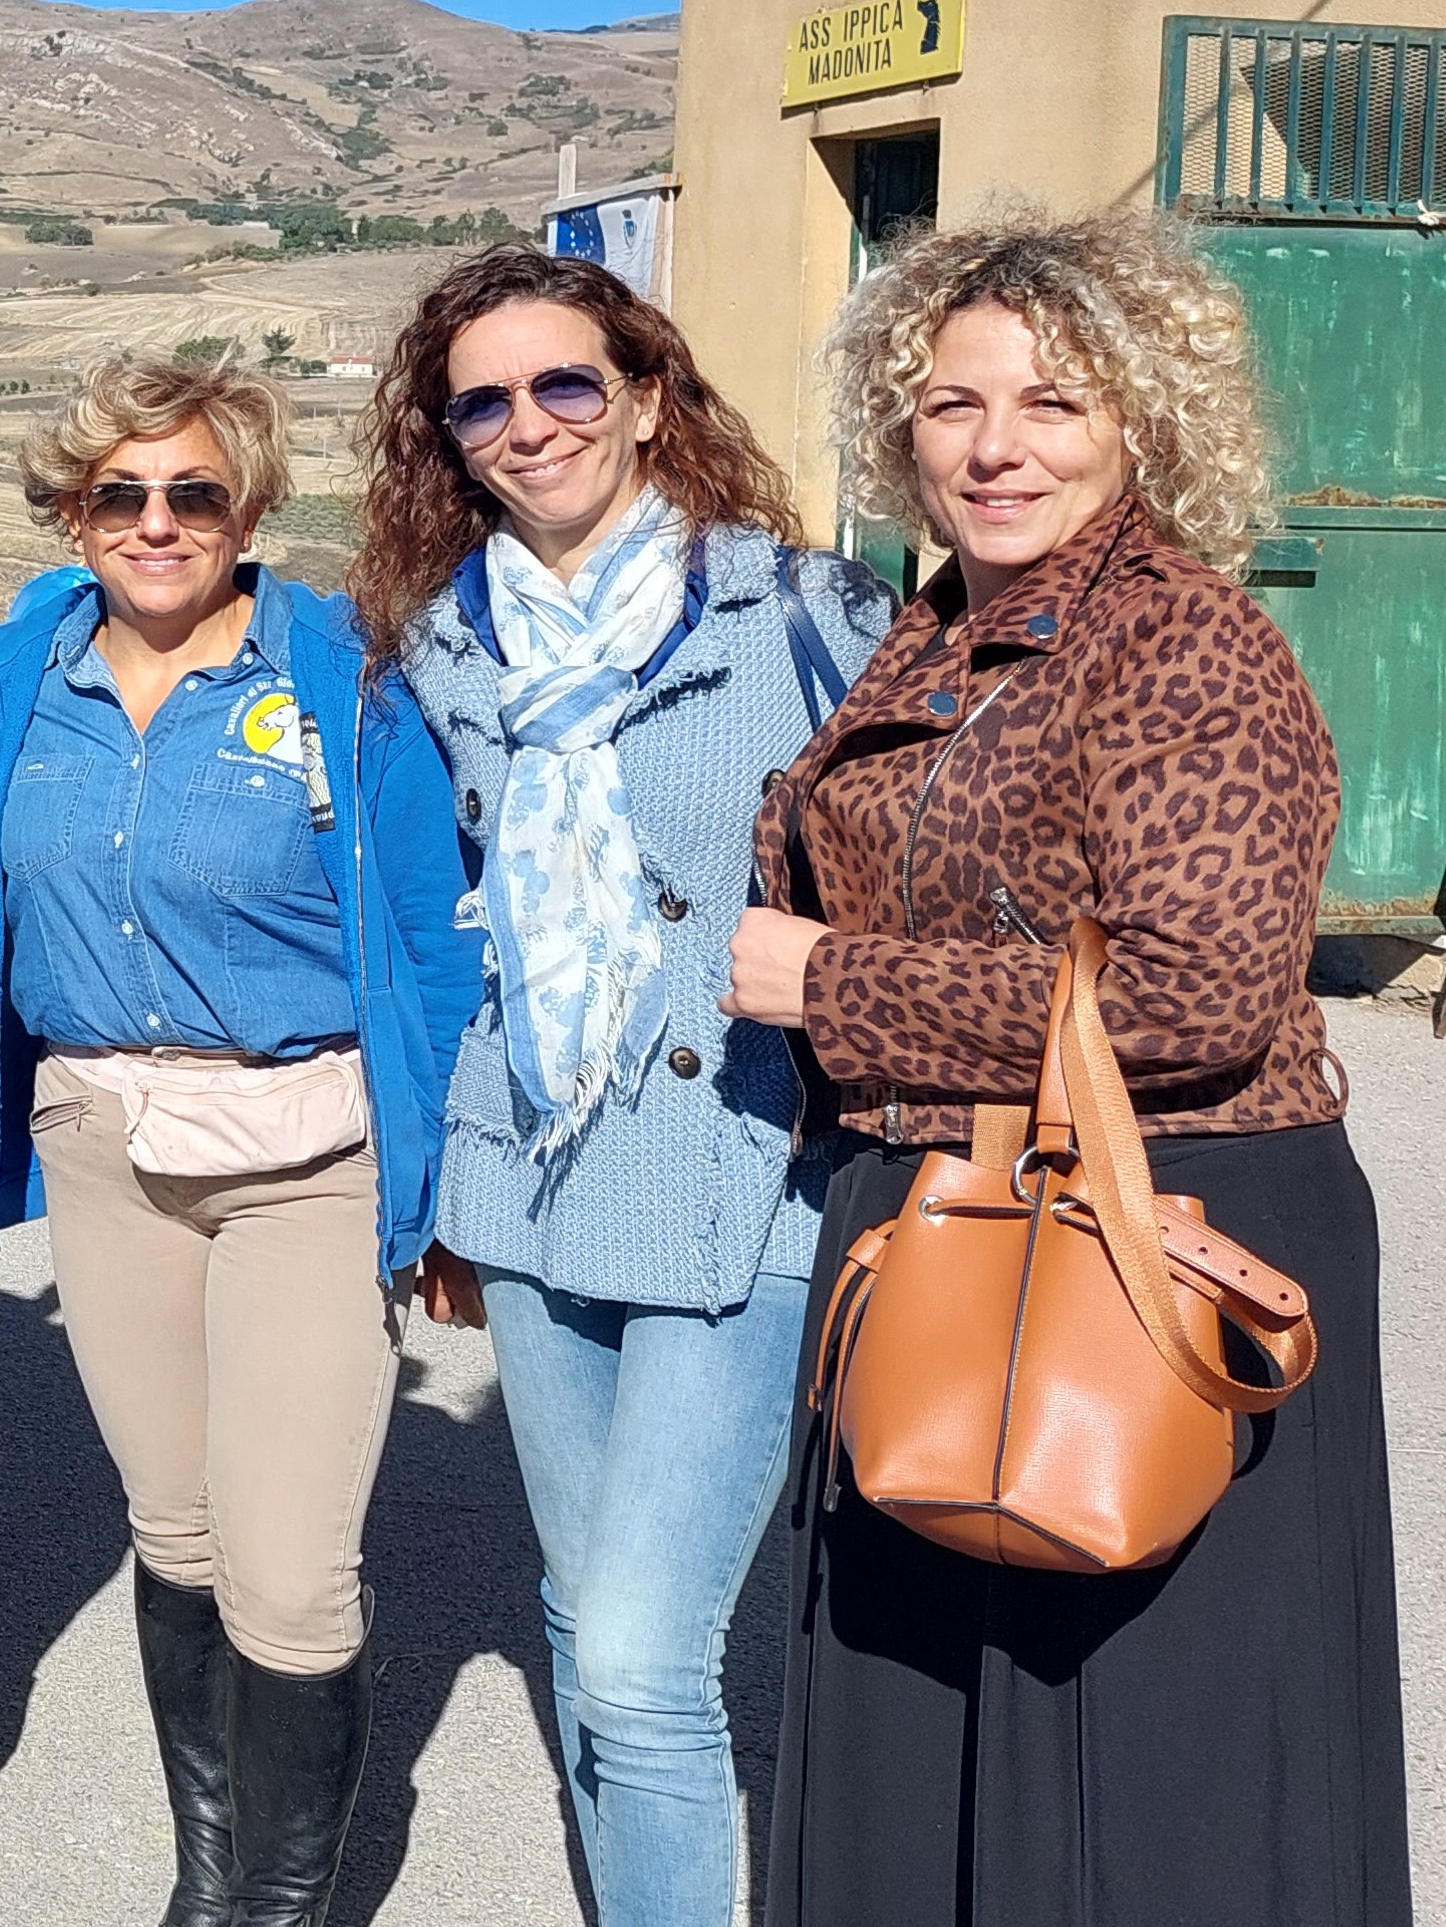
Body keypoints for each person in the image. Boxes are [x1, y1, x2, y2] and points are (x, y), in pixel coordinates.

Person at [737, 212, 1408, 1927]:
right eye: (954, 405)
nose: (994, 445)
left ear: (1142, 425)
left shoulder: (1185, 641)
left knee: (1146, 1758)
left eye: (1051, 402)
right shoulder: (937, 626)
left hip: (1157, 1225)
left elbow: (1198, 987)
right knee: (922, 1709)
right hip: (949, 1207)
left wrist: (831, 980)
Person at [344, 249, 888, 1927]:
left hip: (740, 1169)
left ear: (645, 397)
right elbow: (430, 943)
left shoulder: (807, 613)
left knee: (645, 1660)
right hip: (531, 1173)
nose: (530, 425)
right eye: (484, 401)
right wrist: (419, 1192)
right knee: (582, 1614)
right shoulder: (438, 648)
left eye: (566, 383)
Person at [0, 353, 482, 1927]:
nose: (156, 520)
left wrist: (447, 1181)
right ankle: (210, 1869)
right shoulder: (9, 675)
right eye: (118, 492)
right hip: (106, 1138)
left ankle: (281, 1905)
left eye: (193, 490)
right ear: (70, 512)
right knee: (172, 1528)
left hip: (305, 1156)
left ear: (248, 506)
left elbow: (430, 939)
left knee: (287, 1569)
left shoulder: (342, 676)